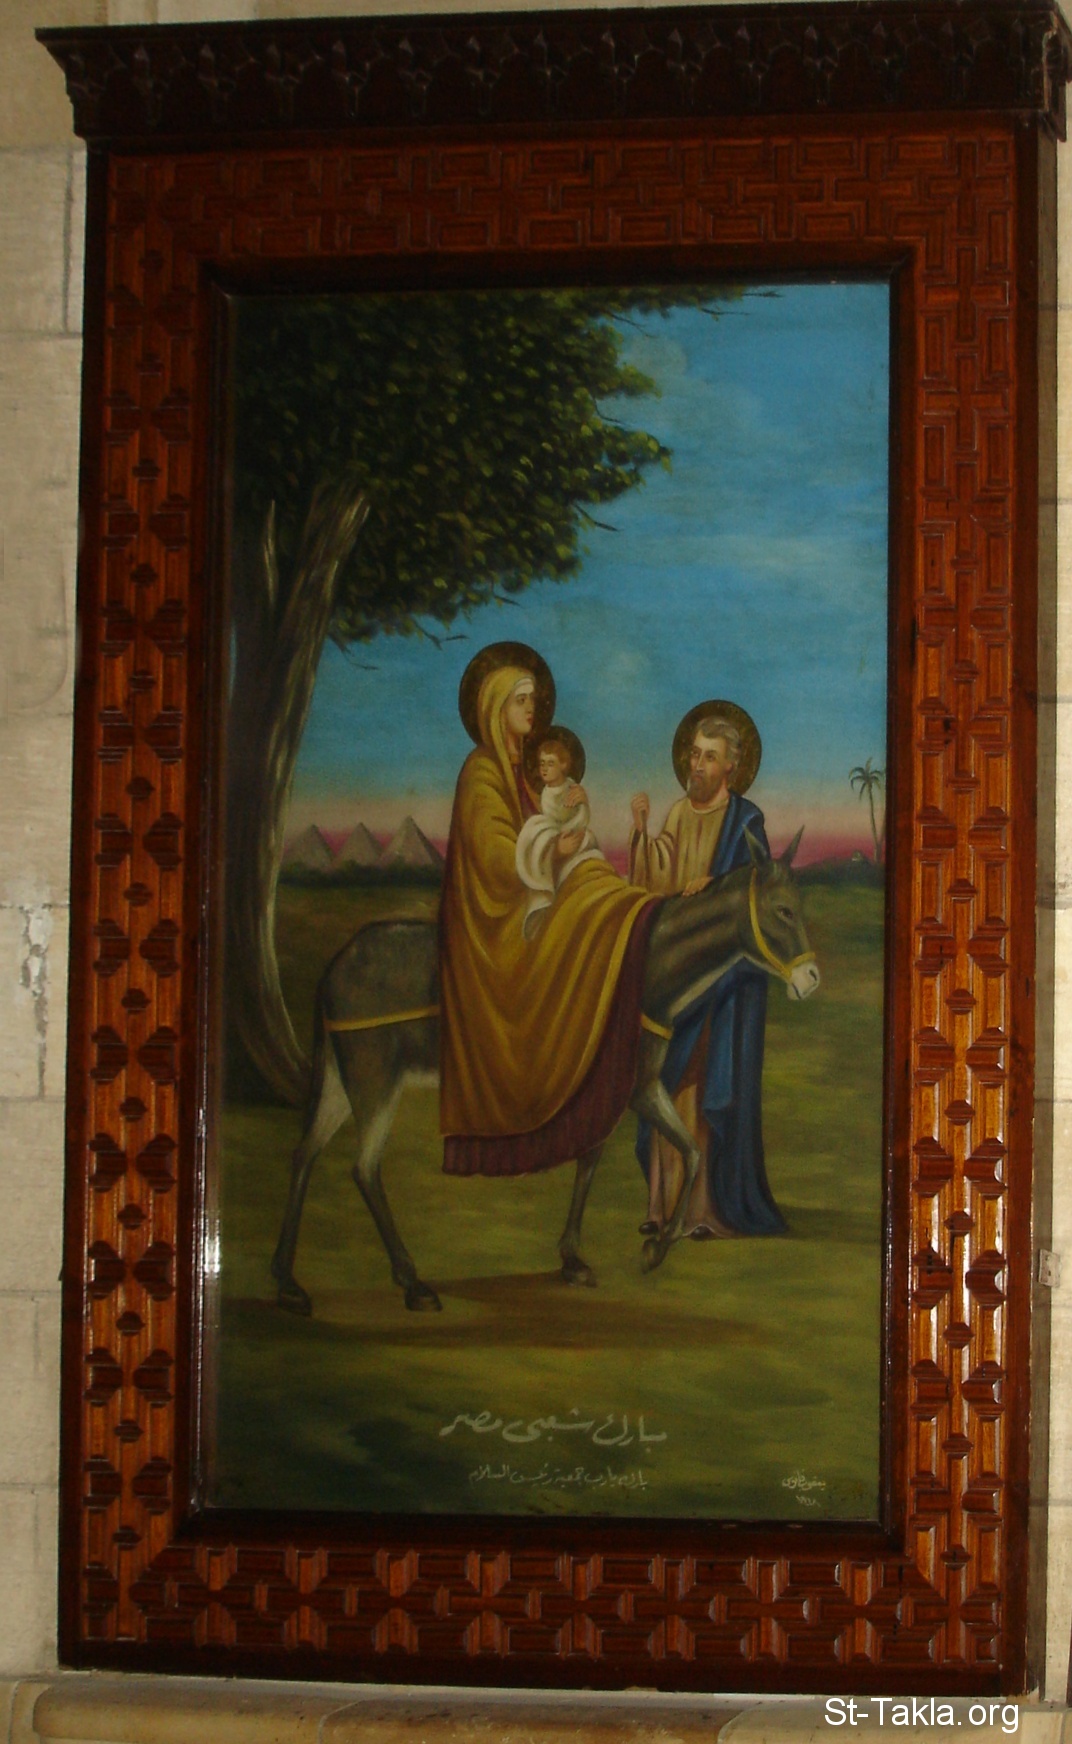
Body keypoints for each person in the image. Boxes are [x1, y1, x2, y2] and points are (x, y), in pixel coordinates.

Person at [439, 645, 658, 1178]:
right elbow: (494, 856)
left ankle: (636, 920)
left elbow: (546, 825)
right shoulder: (482, 770)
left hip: (533, 890)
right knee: (580, 912)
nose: (531, 709)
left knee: (593, 887)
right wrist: (552, 851)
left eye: (533, 700)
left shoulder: (526, 771)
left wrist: (569, 828)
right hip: (493, 924)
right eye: (521, 700)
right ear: (496, 707)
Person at [629, 707, 787, 1237]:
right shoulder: (678, 813)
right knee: (662, 1085)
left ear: (731, 769)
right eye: (694, 754)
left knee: (700, 1090)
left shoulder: (745, 821)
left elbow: (754, 888)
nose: (697, 765)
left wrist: (714, 885)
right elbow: (657, 878)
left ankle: (702, 1210)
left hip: (721, 984)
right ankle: (657, 1206)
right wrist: (641, 832)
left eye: (709, 757)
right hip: (679, 975)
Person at [515, 734, 605, 939]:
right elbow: (551, 822)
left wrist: (583, 804)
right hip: (559, 839)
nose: (544, 769)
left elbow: (581, 816)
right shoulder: (546, 794)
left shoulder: (572, 788)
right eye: (542, 764)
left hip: (577, 836)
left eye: (550, 763)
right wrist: (557, 842)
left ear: (564, 765)